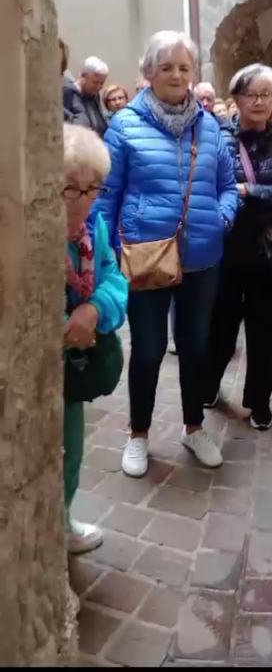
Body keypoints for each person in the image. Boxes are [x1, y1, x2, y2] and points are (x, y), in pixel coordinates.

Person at [94, 31, 238, 474]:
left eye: (184, 67)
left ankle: (193, 428)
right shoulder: (125, 125)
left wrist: (220, 218)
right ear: (149, 72)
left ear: (193, 73)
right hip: (147, 258)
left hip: (202, 259)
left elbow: (228, 187)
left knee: (196, 348)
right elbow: (107, 195)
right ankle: (138, 436)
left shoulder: (210, 126)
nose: (177, 74)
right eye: (166, 66)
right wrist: (110, 250)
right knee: (151, 350)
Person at [204, 64, 272, 430]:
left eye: (267, 94)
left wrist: (247, 192)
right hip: (227, 249)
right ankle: (209, 387)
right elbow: (216, 185)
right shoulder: (219, 136)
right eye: (251, 94)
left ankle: (259, 403)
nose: (259, 101)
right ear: (237, 98)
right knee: (221, 329)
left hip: (269, 252)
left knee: (263, 334)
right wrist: (256, 194)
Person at [63, 123, 128, 554]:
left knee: (69, 450)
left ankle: (60, 521)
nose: (85, 201)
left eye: (94, 190)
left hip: (71, 367)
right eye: (71, 190)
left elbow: (115, 279)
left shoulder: (95, 229)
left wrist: (95, 308)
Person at [63, 56, 109, 138]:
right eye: (95, 82)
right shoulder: (68, 93)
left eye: (101, 83)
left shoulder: (95, 95)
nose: (98, 87)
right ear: (83, 77)